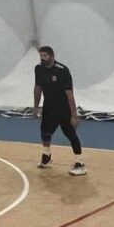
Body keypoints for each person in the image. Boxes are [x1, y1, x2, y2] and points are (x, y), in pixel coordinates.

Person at [33, 46, 86, 176]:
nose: (42, 58)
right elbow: (38, 88)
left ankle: (80, 164)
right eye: (41, 56)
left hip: (63, 108)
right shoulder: (39, 69)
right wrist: (36, 107)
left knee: (70, 134)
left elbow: (70, 95)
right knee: (45, 133)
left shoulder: (62, 71)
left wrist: (74, 115)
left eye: (45, 56)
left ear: (52, 56)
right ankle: (46, 157)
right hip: (48, 107)